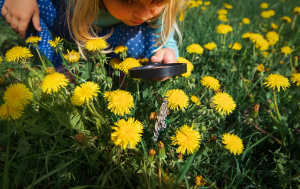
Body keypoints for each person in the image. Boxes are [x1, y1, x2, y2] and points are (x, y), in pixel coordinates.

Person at [1, 0, 183, 80]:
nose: (144, 14)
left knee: (143, 43)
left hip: (113, 33)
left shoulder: (147, 9)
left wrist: (164, 50)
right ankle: (57, 65)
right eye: (128, 1)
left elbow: (162, 39)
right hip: (61, 16)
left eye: (157, 2)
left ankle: (114, 71)